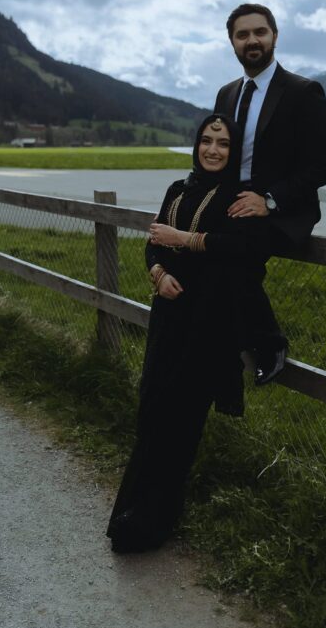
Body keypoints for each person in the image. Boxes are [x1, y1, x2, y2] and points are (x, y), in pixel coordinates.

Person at [106, 113, 283, 554]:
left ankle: (156, 520)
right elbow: (152, 241)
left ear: (234, 150)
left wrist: (183, 240)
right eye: (206, 140)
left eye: (223, 144)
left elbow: (243, 248)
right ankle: (130, 512)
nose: (213, 150)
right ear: (196, 144)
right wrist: (158, 271)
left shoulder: (239, 198)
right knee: (151, 411)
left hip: (208, 323)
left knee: (181, 420)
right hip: (168, 314)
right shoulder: (178, 189)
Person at [214, 2, 326, 378]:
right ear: (232, 42)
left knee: (230, 253)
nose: (252, 40)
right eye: (242, 34)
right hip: (234, 204)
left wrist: (268, 201)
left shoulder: (304, 92)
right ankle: (219, 343)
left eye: (259, 32)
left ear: (275, 37)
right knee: (193, 246)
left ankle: (269, 343)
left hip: (283, 211)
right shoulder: (226, 94)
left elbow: (321, 166)